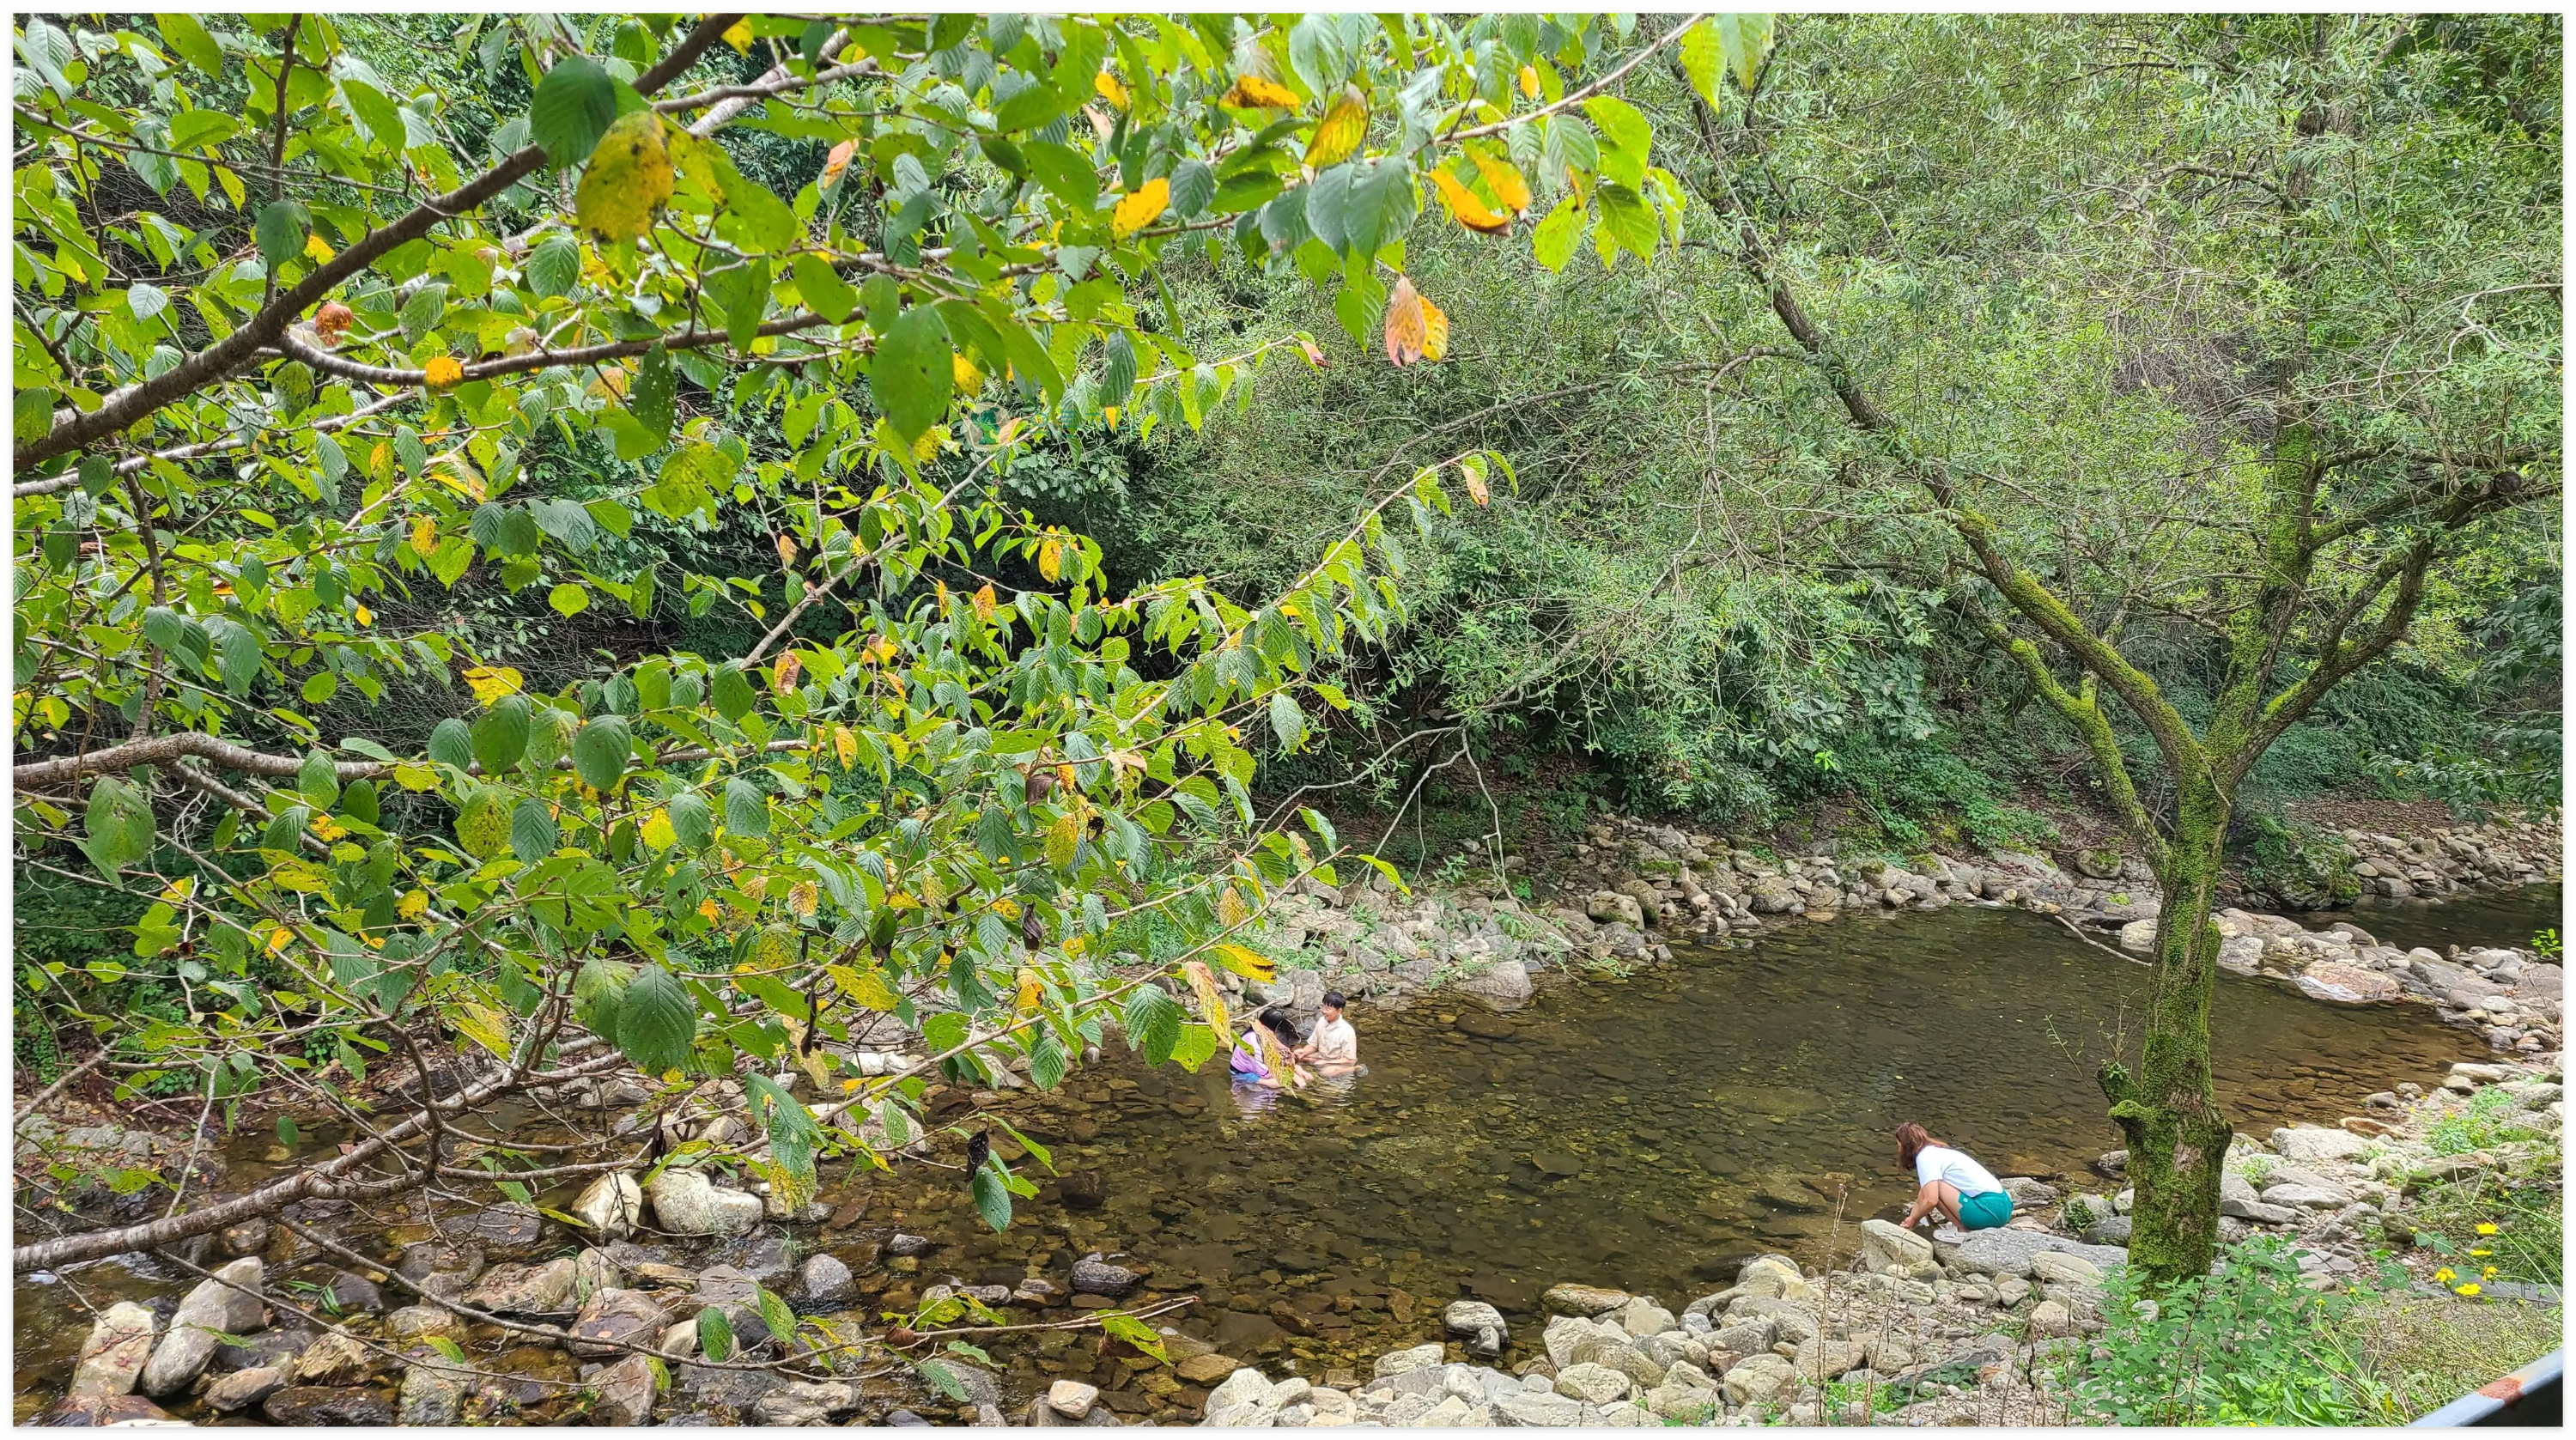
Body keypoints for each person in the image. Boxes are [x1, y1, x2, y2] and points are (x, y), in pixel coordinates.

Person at [1893, 1121, 2014, 1232]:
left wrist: (1916, 1218)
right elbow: (1924, 1192)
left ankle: (1963, 1231)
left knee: (1935, 1191)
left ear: (1906, 1146)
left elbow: (1931, 1200)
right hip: (2004, 1207)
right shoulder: (1937, 1152)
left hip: (1989, 1213)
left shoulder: (1924, 1158)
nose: (1899, 1150)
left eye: (1899, 1146)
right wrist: (1912, 1217)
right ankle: (1965, 1228)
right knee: (1930, 1188)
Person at [1230, 1008, 1306, 1090]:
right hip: (1243, 1073)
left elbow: (1282, 1050)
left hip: (1258, 1068)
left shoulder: (1265, 1035)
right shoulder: (1252, 1042)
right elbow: (1264, 1073)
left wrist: (1294, 1066)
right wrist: (1292, 1076)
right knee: (1276, 1083)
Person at [1296, 991, 1358, 1075]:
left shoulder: (1347, 1032)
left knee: (1325, 1073)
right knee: (1296, 1057)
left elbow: (1350, 1060)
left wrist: (1326, 1063)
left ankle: (1354, 1069)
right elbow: (1313, 1045)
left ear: (1339, 1011)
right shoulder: (1322, 1021)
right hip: (1321, 1057)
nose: (1323, 1011)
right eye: (1323, 1007)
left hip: (1339, 1062)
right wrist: (1303, 1052)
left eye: (1327, 1009)